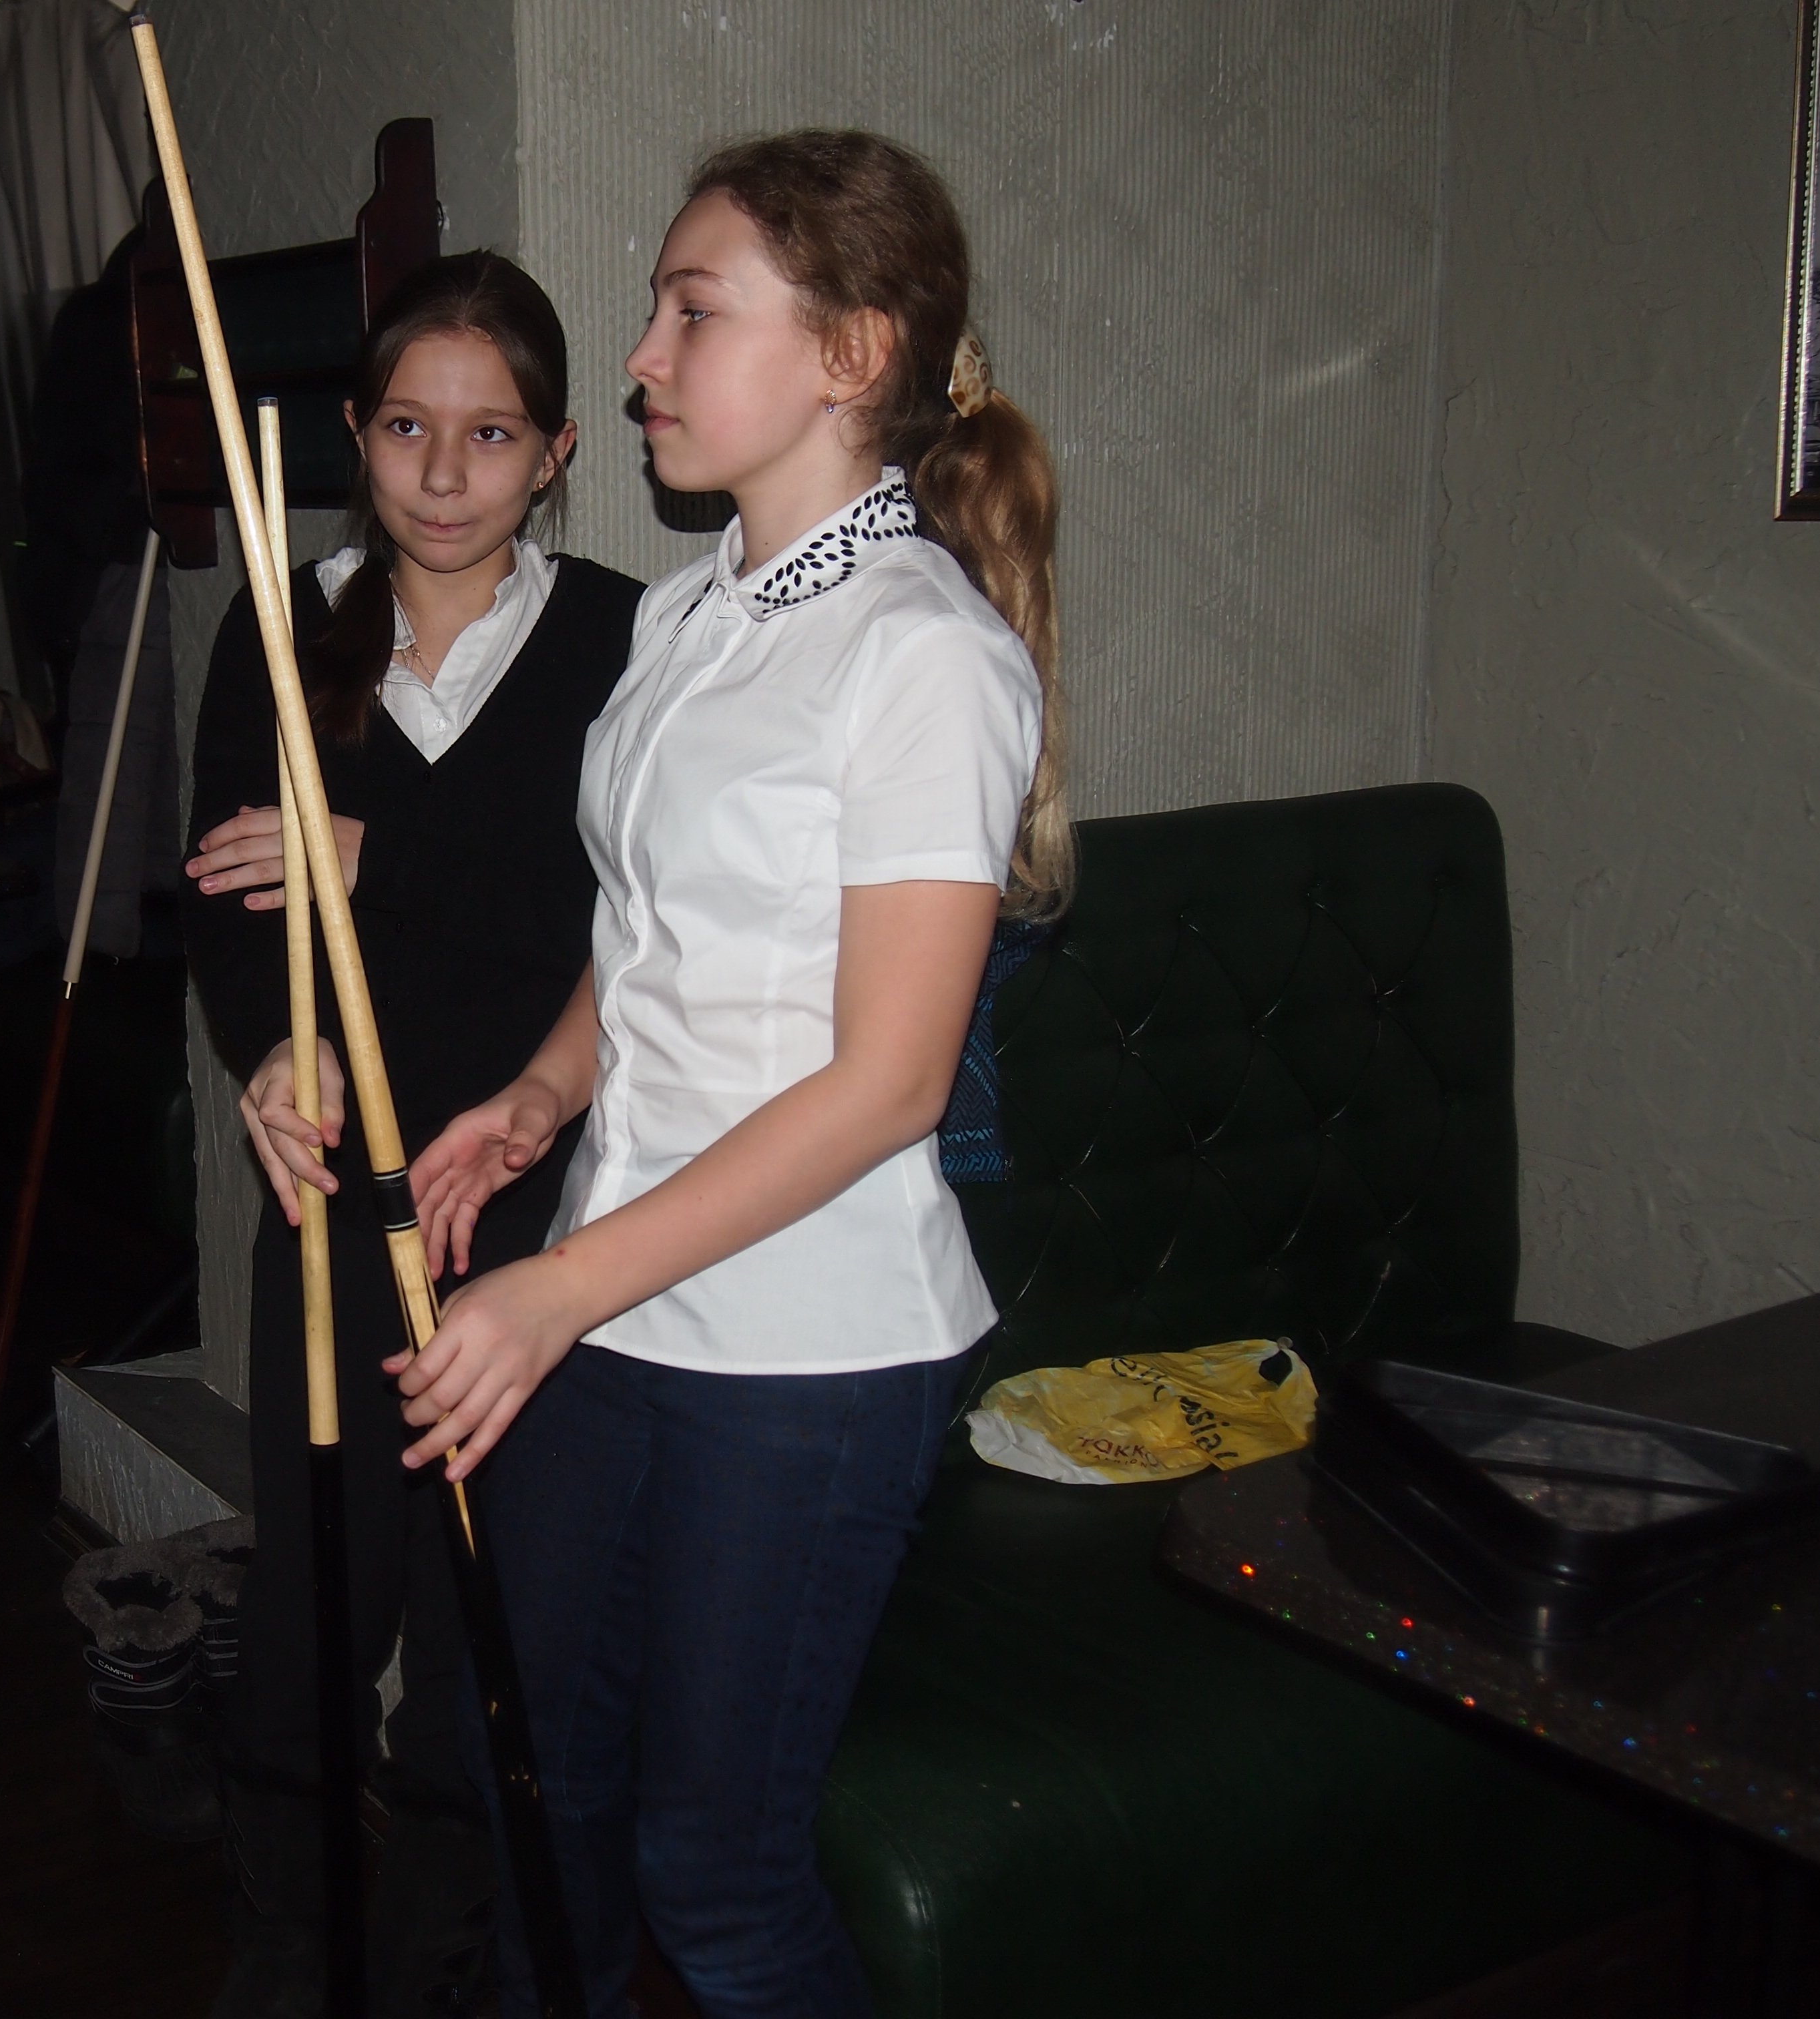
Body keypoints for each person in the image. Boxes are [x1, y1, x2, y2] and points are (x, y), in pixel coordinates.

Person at [399, 132, 1071, 2019]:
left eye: (693, 312)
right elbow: (648, 938)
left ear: (853, 353)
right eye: (658, 311)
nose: (643, 357)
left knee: (718, 1878)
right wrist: (544, 1098)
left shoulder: (922, 654)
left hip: (803, 1353)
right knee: (546, 1805)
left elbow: (889, 1086)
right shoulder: (688, 614)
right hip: (622, 1301)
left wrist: (552, 1289)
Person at [178, 250, 644, 2019]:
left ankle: (441, 1956)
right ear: (355, 436)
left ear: (559, 451)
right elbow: (232, 894)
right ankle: (288, 1951)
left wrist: (382, 858)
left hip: (529, 1204)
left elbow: (621, 923)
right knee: (317, 1601)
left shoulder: (625, 638)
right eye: (403, 429)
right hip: (333, 1200)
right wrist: (271, 1044)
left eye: (492, 434)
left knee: (482, 1615)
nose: (443, 476)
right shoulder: (283, 624)